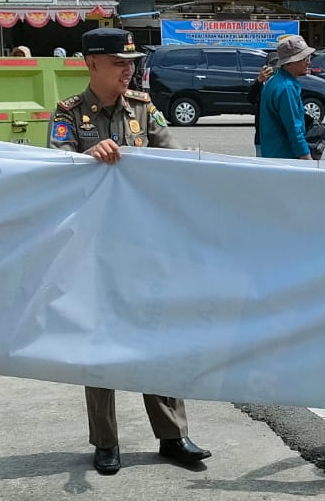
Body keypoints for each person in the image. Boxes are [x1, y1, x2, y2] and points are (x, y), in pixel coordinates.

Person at [48, 27, 211, 476]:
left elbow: (173, 161)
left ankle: (172, 436)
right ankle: (106, 442)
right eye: (119, 62)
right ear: (92, 64)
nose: (129, 69)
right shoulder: (68, 116)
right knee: (99, 343)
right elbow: (51, 175)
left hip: (144, 249)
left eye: (132, 62)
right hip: (95, 253)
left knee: (158, 337)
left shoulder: (144, 109)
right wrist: (84, 159)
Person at [258, 34, 314, 160]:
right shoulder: (286, 88)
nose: (308, 62)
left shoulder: (273, 81)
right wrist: (308, 161)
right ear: (289, 63)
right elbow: (294, 130)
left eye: (308, 57)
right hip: (286, 158)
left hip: (272, 154)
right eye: (303, 58)